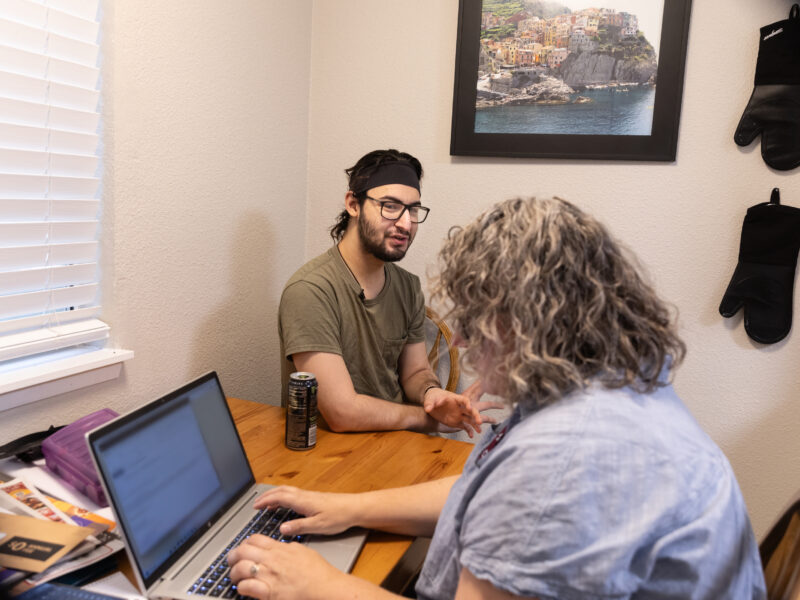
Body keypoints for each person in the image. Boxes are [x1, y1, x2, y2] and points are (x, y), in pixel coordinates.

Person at [233, 196, 767, 599]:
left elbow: (533, 491)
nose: (460, 340)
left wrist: (317, 585)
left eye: (471, 320)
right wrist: (345, 507)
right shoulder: (608, 382)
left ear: (525, 321)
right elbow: (479, 489)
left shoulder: (571, 452)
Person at [278, 149, 498, 435]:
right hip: (328, 454)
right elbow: (341, 413)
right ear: (353, 204)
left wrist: (431, 392)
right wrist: (431, 420)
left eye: (413, 210)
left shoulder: (407, 286)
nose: (406, 223)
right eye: (390, 206)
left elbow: (415, 372)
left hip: (395, 445)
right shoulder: (311, 291)